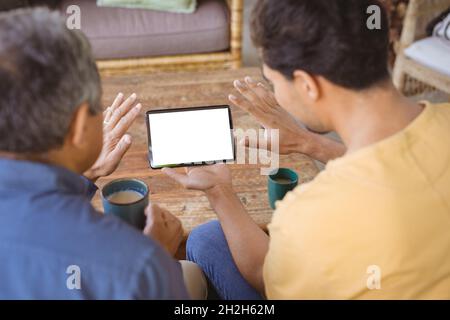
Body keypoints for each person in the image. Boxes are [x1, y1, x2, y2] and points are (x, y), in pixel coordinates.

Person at [162, 0, 450, 299]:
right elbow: (397, 170)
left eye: (272, 81)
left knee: (204, 241)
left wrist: (219, 191)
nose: (275, 93)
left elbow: (264, 275)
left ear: (307, 85)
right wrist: (308, 142)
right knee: (210, 238)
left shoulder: (311, 213)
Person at [0, 8, 207, 299]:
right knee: (192, 274)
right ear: (80, 125)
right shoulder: (138, 268)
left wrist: (80, 173)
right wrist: (154, 258)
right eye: (99, 103)